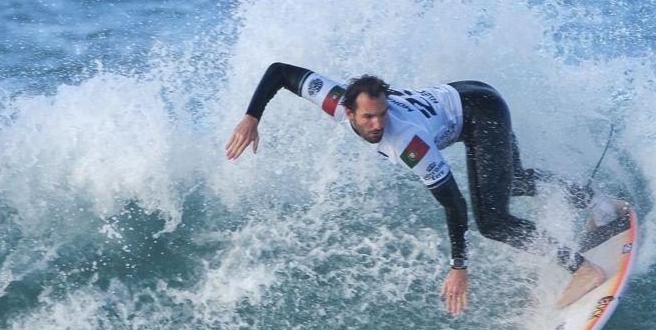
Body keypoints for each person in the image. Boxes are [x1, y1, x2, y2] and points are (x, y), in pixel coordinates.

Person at [225, 63, 612, 316]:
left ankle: (584, 269)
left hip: (481, 113)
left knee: (492, 221)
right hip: (469, 93)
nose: (376, 124)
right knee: (514, 181)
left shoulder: (407, 143)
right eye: (368, 117)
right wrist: (251, 117)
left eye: (382, 114)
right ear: (348, 110)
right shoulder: (335, 99)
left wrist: (458, 266)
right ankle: (596, 202)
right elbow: (279, 73)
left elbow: (454, 204)